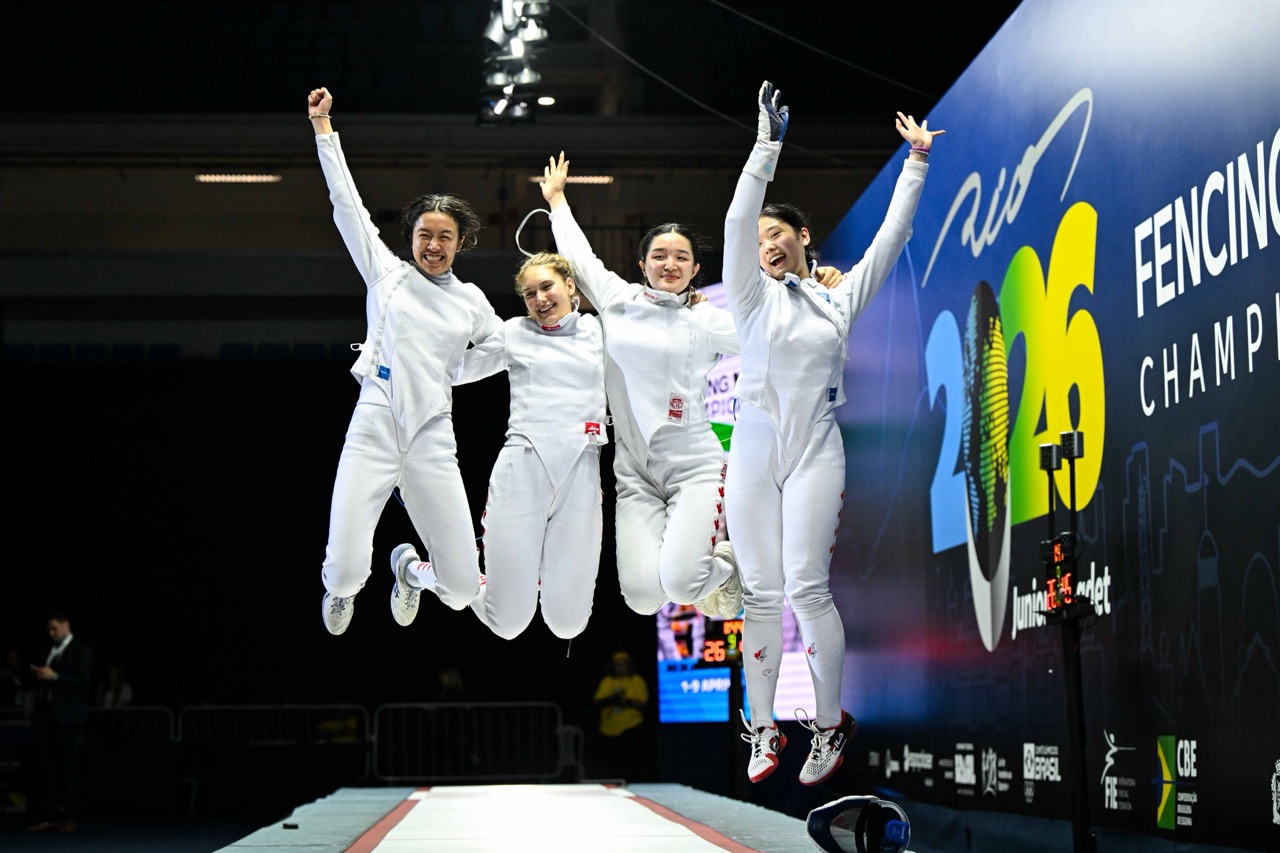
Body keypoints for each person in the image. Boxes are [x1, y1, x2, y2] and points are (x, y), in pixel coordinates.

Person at [722, 81, 941, 786]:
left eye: (776, 232)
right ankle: (762, 729)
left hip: (816, 445)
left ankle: (826, 724)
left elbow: (891, 238)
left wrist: (915, 162)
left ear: (803, 236)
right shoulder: (750, 297)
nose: (763, 243)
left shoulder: (838, 297)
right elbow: (735, 222)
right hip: (754, 448)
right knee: (759, 592)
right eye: (758, 239)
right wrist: (766, 147)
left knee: (806, 588)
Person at [307, 87, 503, 635]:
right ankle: (343, 589)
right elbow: (347, 205)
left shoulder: (470, 302)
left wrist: (451, 374)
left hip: (432, 437)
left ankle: (411, 571)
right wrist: (325, 129)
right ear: (411, 238)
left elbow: (503, 349)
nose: (433, 245)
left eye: (444, 237)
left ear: (460, 243)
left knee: (463, 589)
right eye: (424, 235)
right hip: (373, 426)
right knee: (345, 575)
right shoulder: (386, 274)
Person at [536, 155, 750, 622]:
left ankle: (729, 565)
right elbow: (580, 258)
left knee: (681, 582)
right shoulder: (617, 301)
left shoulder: (707, 320)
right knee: (640, 598)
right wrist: (557, 201)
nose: (669, 263)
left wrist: (814, 285)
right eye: (659, 255)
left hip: (694, 467)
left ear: (696, 271)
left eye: (681, 257)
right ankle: (706, 571)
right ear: (642, 263)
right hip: (634, 475)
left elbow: (769, 336)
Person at [391, 252, 606, 641]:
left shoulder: (600, 331)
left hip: (582, 474)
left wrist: (689, 304)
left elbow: (650, 338)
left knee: (568, 623)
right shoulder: (515, 333)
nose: (540, 299)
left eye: (547, 286)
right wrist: (394, 360)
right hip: (522, 472)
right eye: (529, 294)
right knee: (508, 623)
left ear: (570, 285)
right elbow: (453, 371)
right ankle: (414, 570)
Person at [27, 610, 93, 833]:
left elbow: (83, 682)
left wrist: (54, 676)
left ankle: (71, 816)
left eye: (54, 628)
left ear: (66, 625)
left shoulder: (80, 649)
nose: (51, 633)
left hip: (68, 717)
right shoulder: (53, 649)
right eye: (49, 629)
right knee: (49, 767)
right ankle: (51, 815)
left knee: (69, 767)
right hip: (48, 715)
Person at [591, 650, 650, 780]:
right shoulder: (608, 681)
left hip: (630, 728)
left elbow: (642, 702)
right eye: (617, 665)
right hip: (609, 728)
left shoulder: (636, 681)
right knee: (611, 764)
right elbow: (598, 700)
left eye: (623, 664)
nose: (620, 667)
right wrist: (611, 700)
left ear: (629, 666)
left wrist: (625, 701)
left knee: (630, 762)